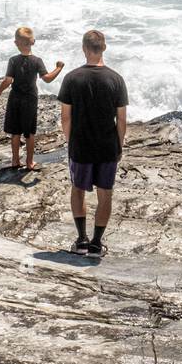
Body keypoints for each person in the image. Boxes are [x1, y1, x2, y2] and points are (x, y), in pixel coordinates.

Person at [56, 29, 127, 257]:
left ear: (84, 48)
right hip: (107, 146)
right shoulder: (116, 79)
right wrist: (119, 145)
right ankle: (97, 243)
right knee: (105, 193)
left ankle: (81, 240)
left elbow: (65, 117)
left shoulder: (72, 78)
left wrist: (71, 141)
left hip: (81, 145)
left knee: (78, 190)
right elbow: (122, 119)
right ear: (104, 48)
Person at [0, 26, 63, 170]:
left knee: (15, 132)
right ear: (33, 42)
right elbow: (48, 79)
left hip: (15, 99)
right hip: (30, 99)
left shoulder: (13, 60)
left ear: (15, 43)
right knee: (30, 132)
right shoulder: (37, 61)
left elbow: (8, 81)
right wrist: (58, 68)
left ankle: (15, 160)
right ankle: (29, 162)